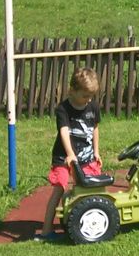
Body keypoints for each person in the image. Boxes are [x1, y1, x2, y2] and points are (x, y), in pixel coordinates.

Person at [35, 67, 102, 241]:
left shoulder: (92, 106)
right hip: (63, 157)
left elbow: (95, 128)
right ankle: (46, 231)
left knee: (93, 186)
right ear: (72, 90)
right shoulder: (63, 109)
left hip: (86, 156)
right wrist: (70, 154)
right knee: (60, 187)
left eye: (91, 96)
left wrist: (96, 151)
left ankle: (83, 219)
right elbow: (64, 132)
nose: (88, 100)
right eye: (85, 96)